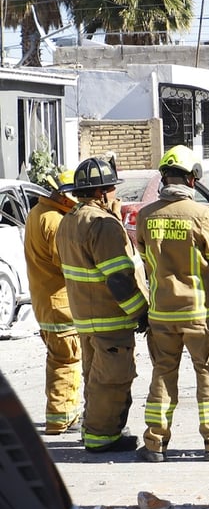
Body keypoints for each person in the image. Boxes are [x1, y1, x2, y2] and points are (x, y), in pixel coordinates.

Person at [135, 146, 209, 463]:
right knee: (207, 373)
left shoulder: (146, 215)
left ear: (164, 178)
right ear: (192, 180)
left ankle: (154, 443)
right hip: (199, 313)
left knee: (163, 375)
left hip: (161, 312)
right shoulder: (203, 214)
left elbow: (143, 257)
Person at [56, 156, 148, 454]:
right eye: (111, 189)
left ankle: (94, 429)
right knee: (113, 379)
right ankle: (102, 437)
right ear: (99, 193)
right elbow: (119, 279)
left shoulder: (69, 221)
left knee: (95, 377)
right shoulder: (103, 225)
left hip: (85, 318)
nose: (115, 195)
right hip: (110, 319)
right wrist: (141, 312)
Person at [24, 169, 82, 436]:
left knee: (57, 358)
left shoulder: (37, 213)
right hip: (61, 305)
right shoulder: (56, 222)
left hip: (44, 303)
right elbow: (68, 264)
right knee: (67, 360)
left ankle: (64, 413)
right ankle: (61, 418)